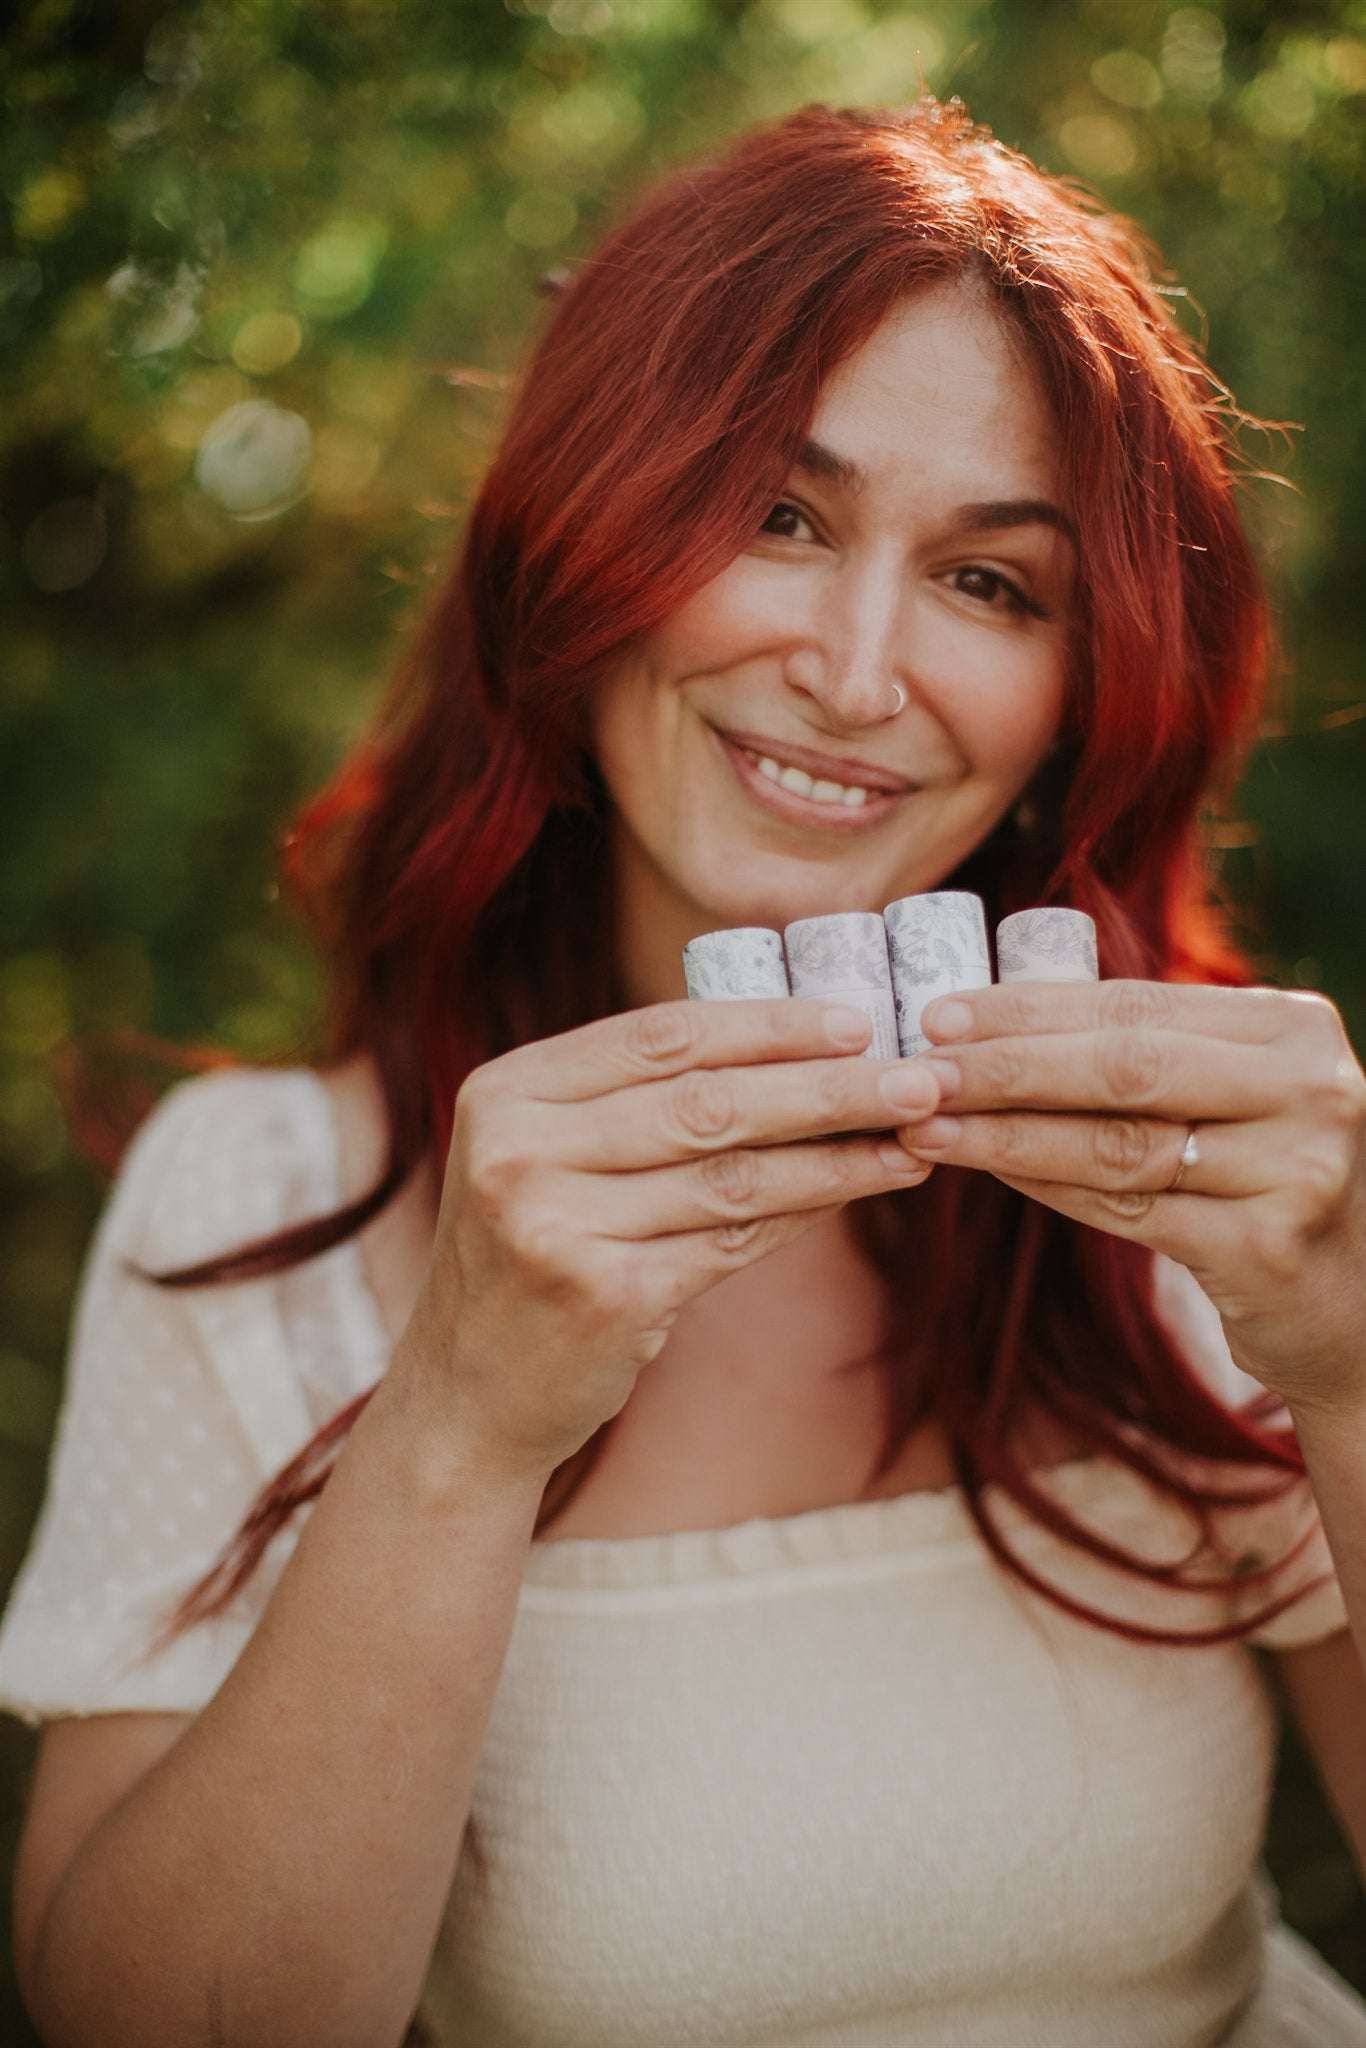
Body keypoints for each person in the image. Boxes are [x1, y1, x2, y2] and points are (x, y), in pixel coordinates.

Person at [3, 92, 1365, 2048]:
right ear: (585, 541)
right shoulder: (256, 1199)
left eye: (990, 581)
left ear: (1078, 698)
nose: (850, 664)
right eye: (774, 517)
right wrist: (460, 1424)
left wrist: (1339, 1349)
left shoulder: (1205, 1184)